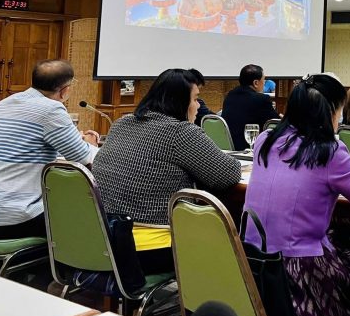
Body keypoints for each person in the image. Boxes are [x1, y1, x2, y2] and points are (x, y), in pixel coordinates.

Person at [244, 74, 350, 316]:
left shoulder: (264, 141)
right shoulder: (329, 152)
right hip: (297, 270)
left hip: (251, 257)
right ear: (330, 111)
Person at [94, 69, 241, 275]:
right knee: (233, 242)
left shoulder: (121, 123)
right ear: (179, 101)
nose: (198, 106)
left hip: (104, 239)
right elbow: (228, 174)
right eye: (195, 99)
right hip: (149, 248)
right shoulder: (180, 132)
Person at [0, 60, 98, 240]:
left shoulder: (5, 103)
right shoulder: (52, 109)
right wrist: (90, 144)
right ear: (65, 90)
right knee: (88, 217)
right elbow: (83, 158)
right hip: (13, 217)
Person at [221, 64, 279, 150]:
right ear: (256, 83)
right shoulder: (261, 99)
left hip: (229, 149)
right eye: (264, 80)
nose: (264, 83)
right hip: (250, 148)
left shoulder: (229, 96)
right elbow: (275, 124)